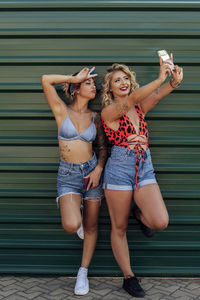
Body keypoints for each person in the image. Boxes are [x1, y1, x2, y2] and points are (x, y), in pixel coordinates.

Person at [101, 56, 183, 297]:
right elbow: (136, 97)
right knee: (119, 226)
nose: (123, 82)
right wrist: (159, 77)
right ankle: (129, 277)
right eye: (117, 80)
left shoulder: (138, 108)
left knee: (160, 221)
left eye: (126, 78)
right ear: (110, 88)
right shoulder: (109, 111)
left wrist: (173, 81)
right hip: (119, 168)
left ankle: (139, 213)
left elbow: (155, 96)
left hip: (144, 165)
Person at [41, 67, 107, 296]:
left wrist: (99, 168)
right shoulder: (61, 110)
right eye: (88, 83)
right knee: (71, 225)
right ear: (77, 88)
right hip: (68, 175)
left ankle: (83, 272)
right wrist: (74, 77)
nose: (94, 87)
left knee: (91, 227)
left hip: (91, 173)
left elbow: (101, 147)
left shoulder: (96, 117)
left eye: (93, 84)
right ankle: (74, 209)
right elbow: (45, 80)